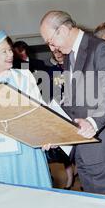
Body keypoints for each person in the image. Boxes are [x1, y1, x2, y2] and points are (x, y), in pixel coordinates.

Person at [40, 10, 105, 195]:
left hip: (104, 147)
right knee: (96, 206)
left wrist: (92, 122)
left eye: (51, 41)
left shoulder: (100, 49)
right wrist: (55, 132)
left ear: (62, 30)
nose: (52, 48)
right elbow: (71, 103)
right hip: (84, 149)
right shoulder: (70, 56)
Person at [0, 30, 52, 188]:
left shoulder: (25, 76)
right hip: (1, 152)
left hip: (30, 148)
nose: (10, 54)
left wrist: (47, 134)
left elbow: (40, 109)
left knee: (38, 198)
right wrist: (4, 129)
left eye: (9, 49)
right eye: (4, 51)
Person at [46, 49, 75, 189]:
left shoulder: (75, 65)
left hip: (77, 110)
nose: (57, 55)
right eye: (55, 54)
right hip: (61, 110)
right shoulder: (53, 71)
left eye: (59, 53)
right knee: (65, 147)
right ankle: (70, 177)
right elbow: (53, 91)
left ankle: (81, 171)